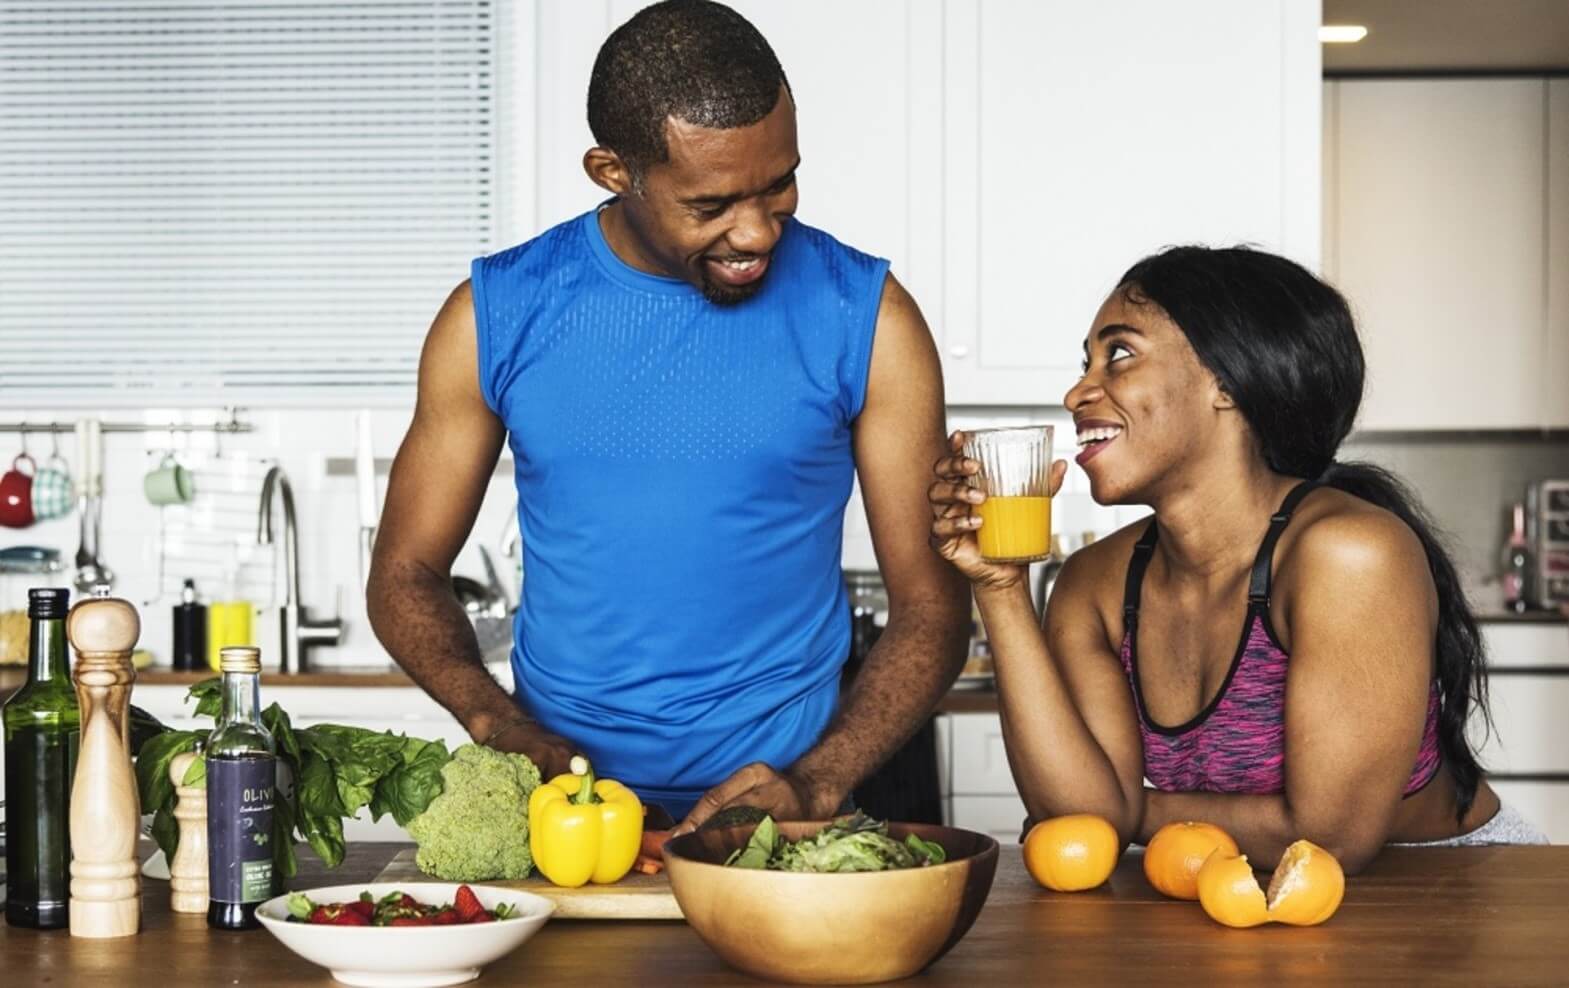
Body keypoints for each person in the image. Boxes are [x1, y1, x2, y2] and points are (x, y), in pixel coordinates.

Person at [369, 0, 968, 828]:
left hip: (787, 809)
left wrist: (820, 780)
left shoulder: (868, 316)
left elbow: (932, 609)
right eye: (711, 204)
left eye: (779, 183)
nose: (756, 231)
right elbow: (403, 577)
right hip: (567, 810)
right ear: (613, 171)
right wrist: (495, 721)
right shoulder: (494, 315)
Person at [929, 245, 1547, 873]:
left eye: (1118, 354)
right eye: (1086, 362)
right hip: (1227, 887)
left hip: (1448, 886)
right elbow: (1082, 823)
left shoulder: (1349, 554)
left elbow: (1328, 842)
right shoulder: (1096, 582)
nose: (1076, 391)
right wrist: (1000, 588)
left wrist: (1133, 814)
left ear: (1226, 380)